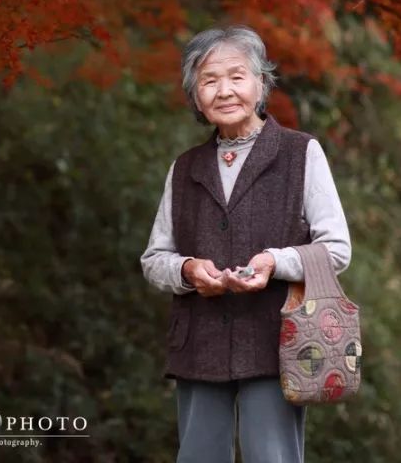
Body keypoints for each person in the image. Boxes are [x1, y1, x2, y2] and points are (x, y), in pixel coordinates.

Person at [140, 25, 352, 463]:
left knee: (271, 457)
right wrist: (187, 271)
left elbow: (336, 249)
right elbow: (154, 258)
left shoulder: (301, 153)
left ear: (260, 83)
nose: (224, 90)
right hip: (198, 341)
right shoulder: (185, 168)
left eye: (237, 76)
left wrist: (274, 262)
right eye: (209, 80)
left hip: (277, 340)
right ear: (195, 94)